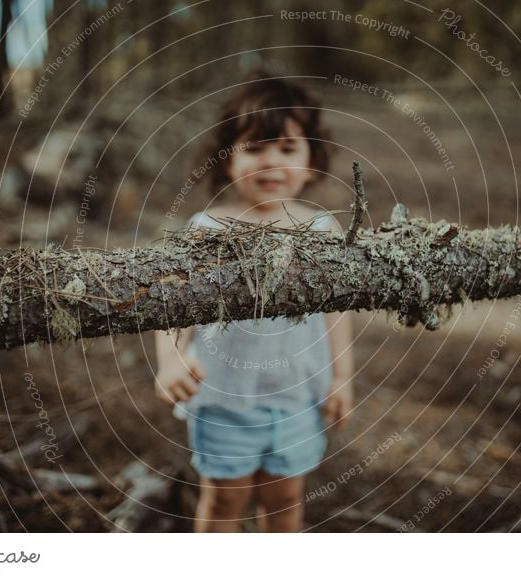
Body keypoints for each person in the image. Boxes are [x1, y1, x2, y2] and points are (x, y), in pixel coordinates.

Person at [154, 70, 354, 532]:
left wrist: (342, 376)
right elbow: (170, 303)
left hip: (299, 396)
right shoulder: (208, 228)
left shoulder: (324, 230)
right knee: (225, 502)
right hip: (225, 397)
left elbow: (336, 314)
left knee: (285, 501)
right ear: (228, 159)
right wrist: (170, 358)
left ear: (310, 159)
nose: (272, 163)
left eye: (287, 148)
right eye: (256, 148)